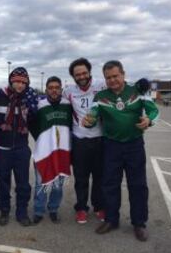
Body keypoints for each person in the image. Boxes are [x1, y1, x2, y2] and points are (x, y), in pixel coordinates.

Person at [83, 60, 159, 242]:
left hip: (134, 145)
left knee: (138, 185)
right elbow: (92, 114)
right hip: (111, 146)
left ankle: (139, 223)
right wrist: (89, 121)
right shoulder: (100, 96)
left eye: (115, 76)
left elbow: (154, 111)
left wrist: (148, 120)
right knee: (110, 184)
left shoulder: (138, 91)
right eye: (108, 78)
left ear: (123, 74)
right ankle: (111, 219)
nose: (112, 80)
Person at [0, 67, 38, 227]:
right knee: (2, 182)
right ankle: (4, 210)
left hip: (21, 149)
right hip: (2, 149)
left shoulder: (29, 99)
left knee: (23, 183)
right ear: (11, 81)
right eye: (16, 81)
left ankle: (22, 212)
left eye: (23, 82)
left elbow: (35, 121)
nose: (19, 85)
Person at [63, 58, 106, 224]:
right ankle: (81, 208)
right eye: (77, 74)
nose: (81, 76)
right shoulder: (68, 91)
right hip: (80, 141)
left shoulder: (101, 85)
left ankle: (98, 206)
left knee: (99, 177)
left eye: (84, 73)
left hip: (100, 139)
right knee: (80, 178)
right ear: (73, 76)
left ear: (89, 72)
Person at [30, 76, 72, 224]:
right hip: (44, 151)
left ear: (61, 89)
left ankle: (53, 209)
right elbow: (31, 124)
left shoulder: (68, 105)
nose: (54, 90)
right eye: (51, 87)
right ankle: (38, 210)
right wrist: (41, 139)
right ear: (46, 89)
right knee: (41, 183)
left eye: (57, 87)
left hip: (62, 151)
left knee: (58, 183)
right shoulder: (39, 105)